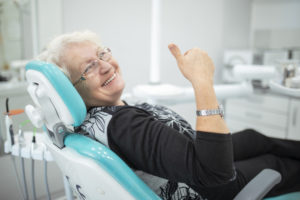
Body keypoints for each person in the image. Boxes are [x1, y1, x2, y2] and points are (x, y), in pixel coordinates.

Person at [37, 31, 300, 200]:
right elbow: (215, 173)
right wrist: (202, 81)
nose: (106, 66)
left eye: (102, 54)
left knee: (255, 138)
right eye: (89, 67)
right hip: (212, 185)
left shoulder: (99, 119)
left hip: (192, 157)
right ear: (70, 90)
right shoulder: (122, 125)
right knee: (274, 162)